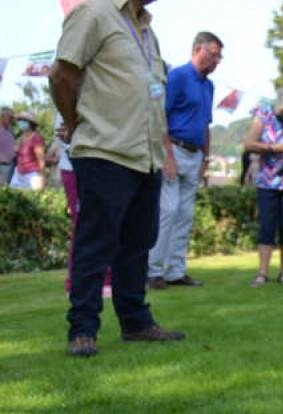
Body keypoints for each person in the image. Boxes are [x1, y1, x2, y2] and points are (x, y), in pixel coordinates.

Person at [50, 0, 185, 358]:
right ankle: (82, 329)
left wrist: (162, 151)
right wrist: (76, 122)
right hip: (104, 150)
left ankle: (136, 322)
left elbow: (150, 92)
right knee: (96, 244)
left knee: (138, 244)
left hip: (146, 156)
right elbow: (61, 75)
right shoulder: (94, 12)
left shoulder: (146, 29)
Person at [147, 31, 223, 290]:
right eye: (214, 55)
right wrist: (167, 156)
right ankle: (153, 270)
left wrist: (205, 158)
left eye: (219, 56)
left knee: (185, 214)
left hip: (195, 153)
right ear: (198, 50)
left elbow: (206, 124)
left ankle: (176, 270)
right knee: (167, 211)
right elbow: (161, 118)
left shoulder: (209, 86)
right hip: (175, 149)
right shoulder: (178, 77)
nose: (217, 61)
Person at [243, 88, 283, 286]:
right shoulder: (264, 114)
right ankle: (262, 272)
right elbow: (249, 143)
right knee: (267, 227)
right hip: (267, 182)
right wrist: (273, 148)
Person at [10, 112, 46, 191]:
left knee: (33, 199)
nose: (20, 122)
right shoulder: (20, 137)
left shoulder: (36, 138)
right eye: (20, 120)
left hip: (32, 174)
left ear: (30, 123)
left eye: (23, 120)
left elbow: (41, 160)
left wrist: (42, 177)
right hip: (18, 173)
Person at [0, 107, 16, 185]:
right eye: (10, 117)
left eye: (12, 118)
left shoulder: (11, 130)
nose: (11, 120)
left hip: (10, 165)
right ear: (2, 117)